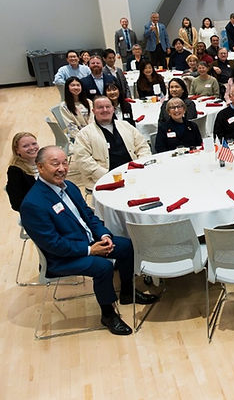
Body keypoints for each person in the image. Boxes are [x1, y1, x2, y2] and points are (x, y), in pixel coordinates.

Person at [20, 146, 158, 336]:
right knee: (102, 267)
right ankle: (108, 314)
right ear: (40, 167)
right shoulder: (33, 204)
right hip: (61, 258)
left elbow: (89, 216)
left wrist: (104, 236)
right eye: (55, 164)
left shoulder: (69, 187)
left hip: (88, 241)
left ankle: (128, 292)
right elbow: (52, 244)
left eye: (64, 163)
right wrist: (90, 250)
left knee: (126, 246)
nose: (62, 168)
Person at [69, 96, 151, 190]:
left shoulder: (125, 125)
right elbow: (83, 160)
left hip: (133, 173)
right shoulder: (84, 134)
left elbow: (142, 146)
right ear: (93, 111)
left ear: (113, 109)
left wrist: (140, 164)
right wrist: (106, 175)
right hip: (104, 179)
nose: (105, 110)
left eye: (108, 107)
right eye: (100, 107)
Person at [6, 132, 39, 212]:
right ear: (17, 150)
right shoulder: (15, 171)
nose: (32, 148)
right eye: (25, 146)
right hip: (35, 211)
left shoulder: (43, 162)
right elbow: (16, 203)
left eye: (34, 144)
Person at [59, 77, 94, 141]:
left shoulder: (89, 102)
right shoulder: (64, 106)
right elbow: (70, 125)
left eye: (78, 85)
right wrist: (82, 139)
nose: (76, 87)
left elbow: (92, 119)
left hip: (91, 134)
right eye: (73, 85)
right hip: (77, 137)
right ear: (67, 88)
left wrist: (91, 134)